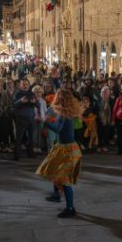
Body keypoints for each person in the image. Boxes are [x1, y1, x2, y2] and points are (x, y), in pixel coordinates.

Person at [38, 89, 84, 218]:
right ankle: (56, 194)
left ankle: (70, 208)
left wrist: (45, 122)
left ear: (61, 99)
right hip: (62, 147)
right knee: (53, 170)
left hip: (68, 149)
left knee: (65, 180)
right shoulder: (64, 112)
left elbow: (58, 129)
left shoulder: (65, 114)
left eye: (57, 96)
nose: (55, 98)